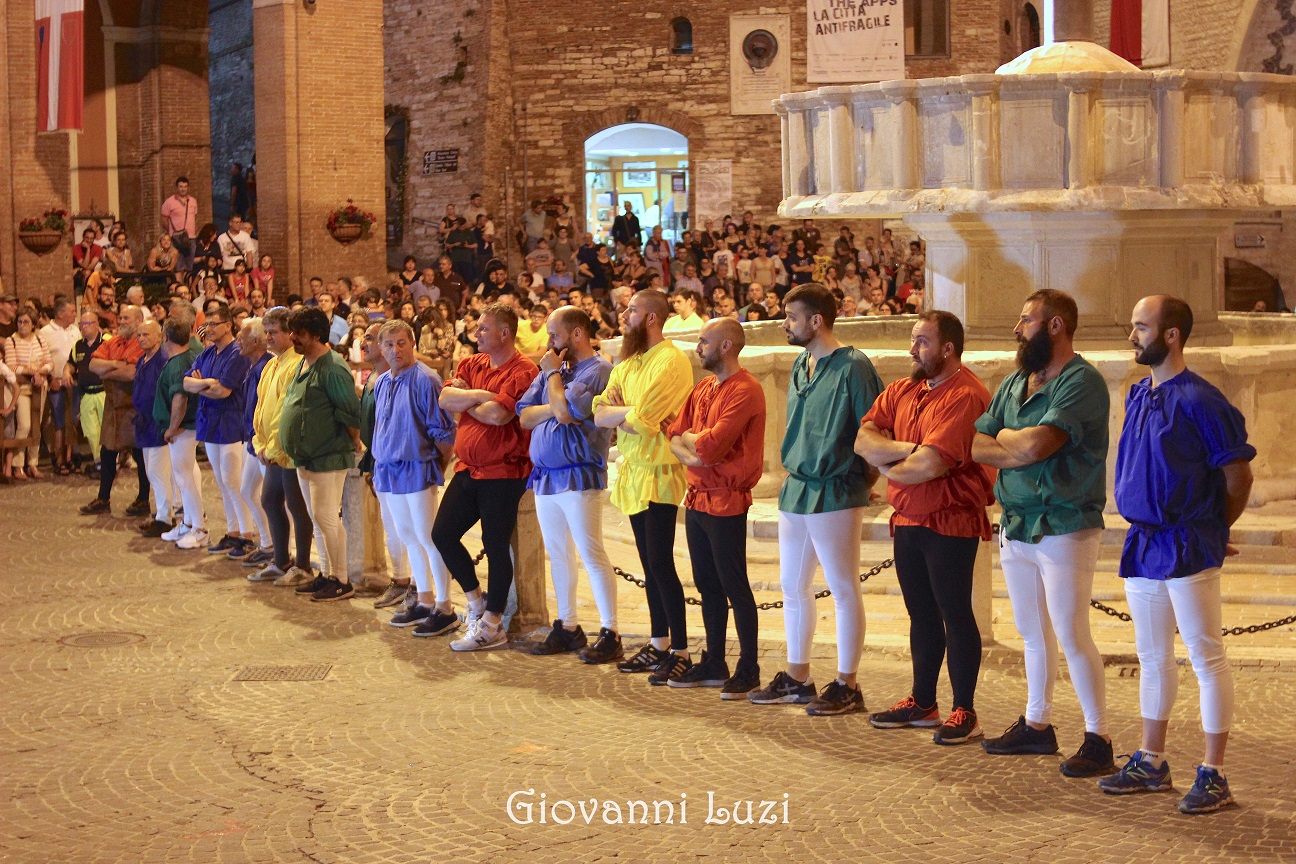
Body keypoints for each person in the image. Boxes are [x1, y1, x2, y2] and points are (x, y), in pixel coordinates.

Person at [1098, 295, 1255, 814]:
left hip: (1187, 542)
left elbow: (1238, 476)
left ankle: (1214, 773)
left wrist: (1213, 528)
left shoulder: (1202, 400)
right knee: (1152, 657)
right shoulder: (1139, 394)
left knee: (1206, 656)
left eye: (1141, 327)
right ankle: (1152, 759)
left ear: (1171, 335)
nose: (1132, 335)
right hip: (1144, 542)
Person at [972, 289, 1116, 778]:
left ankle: (1099, 737)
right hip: (1017, 522)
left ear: (1055, 326)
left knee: (1072, 633)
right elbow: (977, 445)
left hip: (1064, 524)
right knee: (1032, 632)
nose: (1017, 329)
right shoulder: (1016, 381)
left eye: (1026, 320)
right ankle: (1037, 724)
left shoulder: (1083, 381)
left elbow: (1038, 445)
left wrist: (1008, 441)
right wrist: (1014, 445)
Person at [856, 311, 995, 744]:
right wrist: (907, 449)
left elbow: (930, 465)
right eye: (913, 340)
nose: (912, 349)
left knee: (956, 613)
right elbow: (863, 440)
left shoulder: (967, 394)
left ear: (948, 348)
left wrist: (889, 463)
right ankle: (923, 701)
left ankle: (964, 710)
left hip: (950, 518)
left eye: (922, 342)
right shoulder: (904, 388)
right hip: (908, 518)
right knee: (920, 613)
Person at [747, 282, 882, 715]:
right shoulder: (801, 363)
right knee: (792, 586)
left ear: (817, 320)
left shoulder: (854, 366)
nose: (785, 324)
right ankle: (798, 676)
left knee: (842, 587)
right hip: (798, 487)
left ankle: (847, 684)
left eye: (792, 317)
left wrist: (864, 481)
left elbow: (874, 428)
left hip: (836, 488)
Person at [593, 290, 695, 684]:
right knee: (649, 565)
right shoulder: (630, 361)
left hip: (660, 471)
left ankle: (681, 650)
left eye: (632, 310)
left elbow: (645, 421)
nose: (625, 314)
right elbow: (599, 411)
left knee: (661, 563)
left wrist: (622, 414)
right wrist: (624, 413)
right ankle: (659, 642)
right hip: (635, 471)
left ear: (651, 318)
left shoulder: (671, 361)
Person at [666, 318, 766, 697]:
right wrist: (693, 448)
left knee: (734, 585)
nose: (698, 347)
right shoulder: (703, 387)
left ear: (726, 346)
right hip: (697, 497)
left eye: (704, 341)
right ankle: (715, 662)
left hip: (726, 499)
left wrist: (693, 445)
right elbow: (674, 435)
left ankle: (749, 668)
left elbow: (710, 447)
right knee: (707, 584)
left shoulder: (746, 389)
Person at [516, 307, 620, 662]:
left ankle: (610, 631)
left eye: (554, 334)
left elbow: (566, 412)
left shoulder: (598, 370)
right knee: (558, 553)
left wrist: (551, 384)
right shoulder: (556, 371)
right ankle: (568, 625)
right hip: (547, 476)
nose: (549, 342)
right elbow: (525, 416)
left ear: (576, 334)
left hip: (579, 474)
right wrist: (554, 399)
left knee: (591, 552)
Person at [433, 304, 538, 651]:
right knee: (442, 534)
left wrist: (468, 401)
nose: (475, 334)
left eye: (483, 329)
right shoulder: (471, 363)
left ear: (505, 333)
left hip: (503, 472)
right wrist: (479, 395)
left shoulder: (523, 370)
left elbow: (498, 416)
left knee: (495, 546)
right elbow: (446, 398)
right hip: (467, 468)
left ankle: (493, 625)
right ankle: (477, 602)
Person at [370, 320, 460, 636]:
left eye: (401, 343)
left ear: (412, 343)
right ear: (381, 348)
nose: (396, 350)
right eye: (389, 344)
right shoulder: (382, 382)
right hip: (389, 469)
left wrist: (436, 466)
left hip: (417, 467)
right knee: (408, 535)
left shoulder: (426, 379)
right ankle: (424, 598)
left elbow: (444, 433)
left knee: (428, 537)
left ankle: (445, 606)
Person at [279, 307, 364, 602]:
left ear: (316, 335)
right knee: (318, 518)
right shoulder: (305, 362)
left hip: (328, 454)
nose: (293, 338)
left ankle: (341, 579)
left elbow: (350, 410)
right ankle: (326, 574)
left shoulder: (332, 367)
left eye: (299, 333)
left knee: (327, 518)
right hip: (307, 456)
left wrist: (355, 440)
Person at [247, 307, 315, 587]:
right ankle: (280, 561)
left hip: (289, 448)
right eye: (266, 333)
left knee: (297, 506)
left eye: (273, 332)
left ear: (290, 333)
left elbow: (287, 411)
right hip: (273, 449)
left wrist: (273, 446)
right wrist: (260, 442)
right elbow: (262, 407)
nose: (268, 338)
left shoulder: (296, 364)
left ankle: (303, 565)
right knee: (270, 500)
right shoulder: (272, 364)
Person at [182, 302, 254, 552]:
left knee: (234, 481)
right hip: (210, 422)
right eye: (206, 324)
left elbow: (224, 391)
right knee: (222, 482)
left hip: (231, 424)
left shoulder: (237, 353)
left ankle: (247, 534)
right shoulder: (207, 353)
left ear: (228, 325)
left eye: (214, 324)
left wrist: (202, 384)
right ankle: (233, 531)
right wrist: (206, 383)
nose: (209, 329)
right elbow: (186, 382)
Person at [82, 306, 150, 516]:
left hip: (133, 408)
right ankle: (103, 498)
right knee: (107, 453)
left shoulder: (142, 343)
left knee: (140, 455)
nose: (121, 321)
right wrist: (115, 364)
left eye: (126, 318)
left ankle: (143, 499)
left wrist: (107, 371)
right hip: (113, 408)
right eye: (120, 317)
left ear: (138, 320)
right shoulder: (113, 342)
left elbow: (131, 373)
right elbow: (93, 365)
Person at [155, 313, 205, 546]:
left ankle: (199, 529)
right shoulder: (189, 356)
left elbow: (180, 398)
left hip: (183, 429)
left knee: (184, 479)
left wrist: (172, 427)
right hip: (187, 426)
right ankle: (188, 523)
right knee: (187, 476)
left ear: (165, 337)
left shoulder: (178, 363)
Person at [227, 317, 274, 567]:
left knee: (271, 497)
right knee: (247, 490)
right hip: (253, 439)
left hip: (263, 441)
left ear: (256, 341)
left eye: (241, 338)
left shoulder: (265, 367)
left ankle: (277, 548)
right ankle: (267, 543)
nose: (238, 342)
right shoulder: (253, 365)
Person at [129, 320, 180, 537]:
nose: (141, 339)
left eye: (146, 335)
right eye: (139, 335)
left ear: (159, 336)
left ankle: (165, 518)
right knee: (152, 470)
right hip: (144, 423)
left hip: (157, 423)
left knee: (159, 472)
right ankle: (163, 512)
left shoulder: (162, 360)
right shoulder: (143, 360)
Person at [2, 308, 52, 480]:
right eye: (19, 322)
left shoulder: (39, 339)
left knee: (37, 425)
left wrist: (40, 371)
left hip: (39, 387)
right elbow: (11, 365)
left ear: (33, 324)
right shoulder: (12, 341)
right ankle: (18, 464)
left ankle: (33, 463)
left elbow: (49, 362)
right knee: (25, 425)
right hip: (22, 388)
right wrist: (31, 372)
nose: (22, 325)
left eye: (26, 322)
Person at [40, 297, 80, 474]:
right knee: (58, 422)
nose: (75, 314)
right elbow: (42, 357)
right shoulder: (45, 332)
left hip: (73, 381)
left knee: (72, 421)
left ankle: (70, 457)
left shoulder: (75, 330)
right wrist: (50, 379)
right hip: (55, 382)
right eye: (72, 311)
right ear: (61, 313)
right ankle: (58, 458)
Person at [70, 310, 108, 475]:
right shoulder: (78, 345)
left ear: (96, 324)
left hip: (104, 392)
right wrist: (66, 372)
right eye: (81, 324)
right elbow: (71, 364)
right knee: (91, 431)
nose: (83, 327)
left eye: (86, 324)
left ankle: (110, 462)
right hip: (86, 394)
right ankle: (99, 461)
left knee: (106, 429)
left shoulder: (107, 341)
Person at [161, 176, 198, 272]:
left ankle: (188, 282)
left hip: (191, 238)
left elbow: (195, 216)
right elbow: (164, 219)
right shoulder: (169, 202)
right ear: (177, 187)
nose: (183, 189)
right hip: (176, 239)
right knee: (178, 266)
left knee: (189, 266)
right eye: (181, 186)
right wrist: (171, 231)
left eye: (185, 187)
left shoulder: (193, 201)